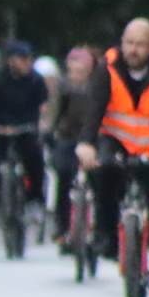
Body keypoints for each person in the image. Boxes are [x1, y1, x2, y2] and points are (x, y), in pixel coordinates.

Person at [76, 19, 149, 297]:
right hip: (116, 141)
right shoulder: (108, 68)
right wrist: (85, 144)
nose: (133, 49)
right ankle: (106, 234)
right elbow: (95, 108)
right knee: (101, 173)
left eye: (140, 44)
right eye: (129, 42)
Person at [0, 40, 48, 217]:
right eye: (22, 59)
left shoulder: (36, 81)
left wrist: (39, 125)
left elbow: (41, 108)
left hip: (25, 128)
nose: (26, 63)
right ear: (11, 61)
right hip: (0, 128)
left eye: (29, 58)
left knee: (35, 158)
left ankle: (34, 199)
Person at [52, 46, 100, 244]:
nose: (75, 76)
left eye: (80, 71)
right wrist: (49, 131)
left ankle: (99, 226)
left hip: (93, 138)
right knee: (63, 177)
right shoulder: (63, 87)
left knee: (100, 179)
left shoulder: (99, 86)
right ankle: (62, 228)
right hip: (68, 136)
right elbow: (55, 113)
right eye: (72, 71)